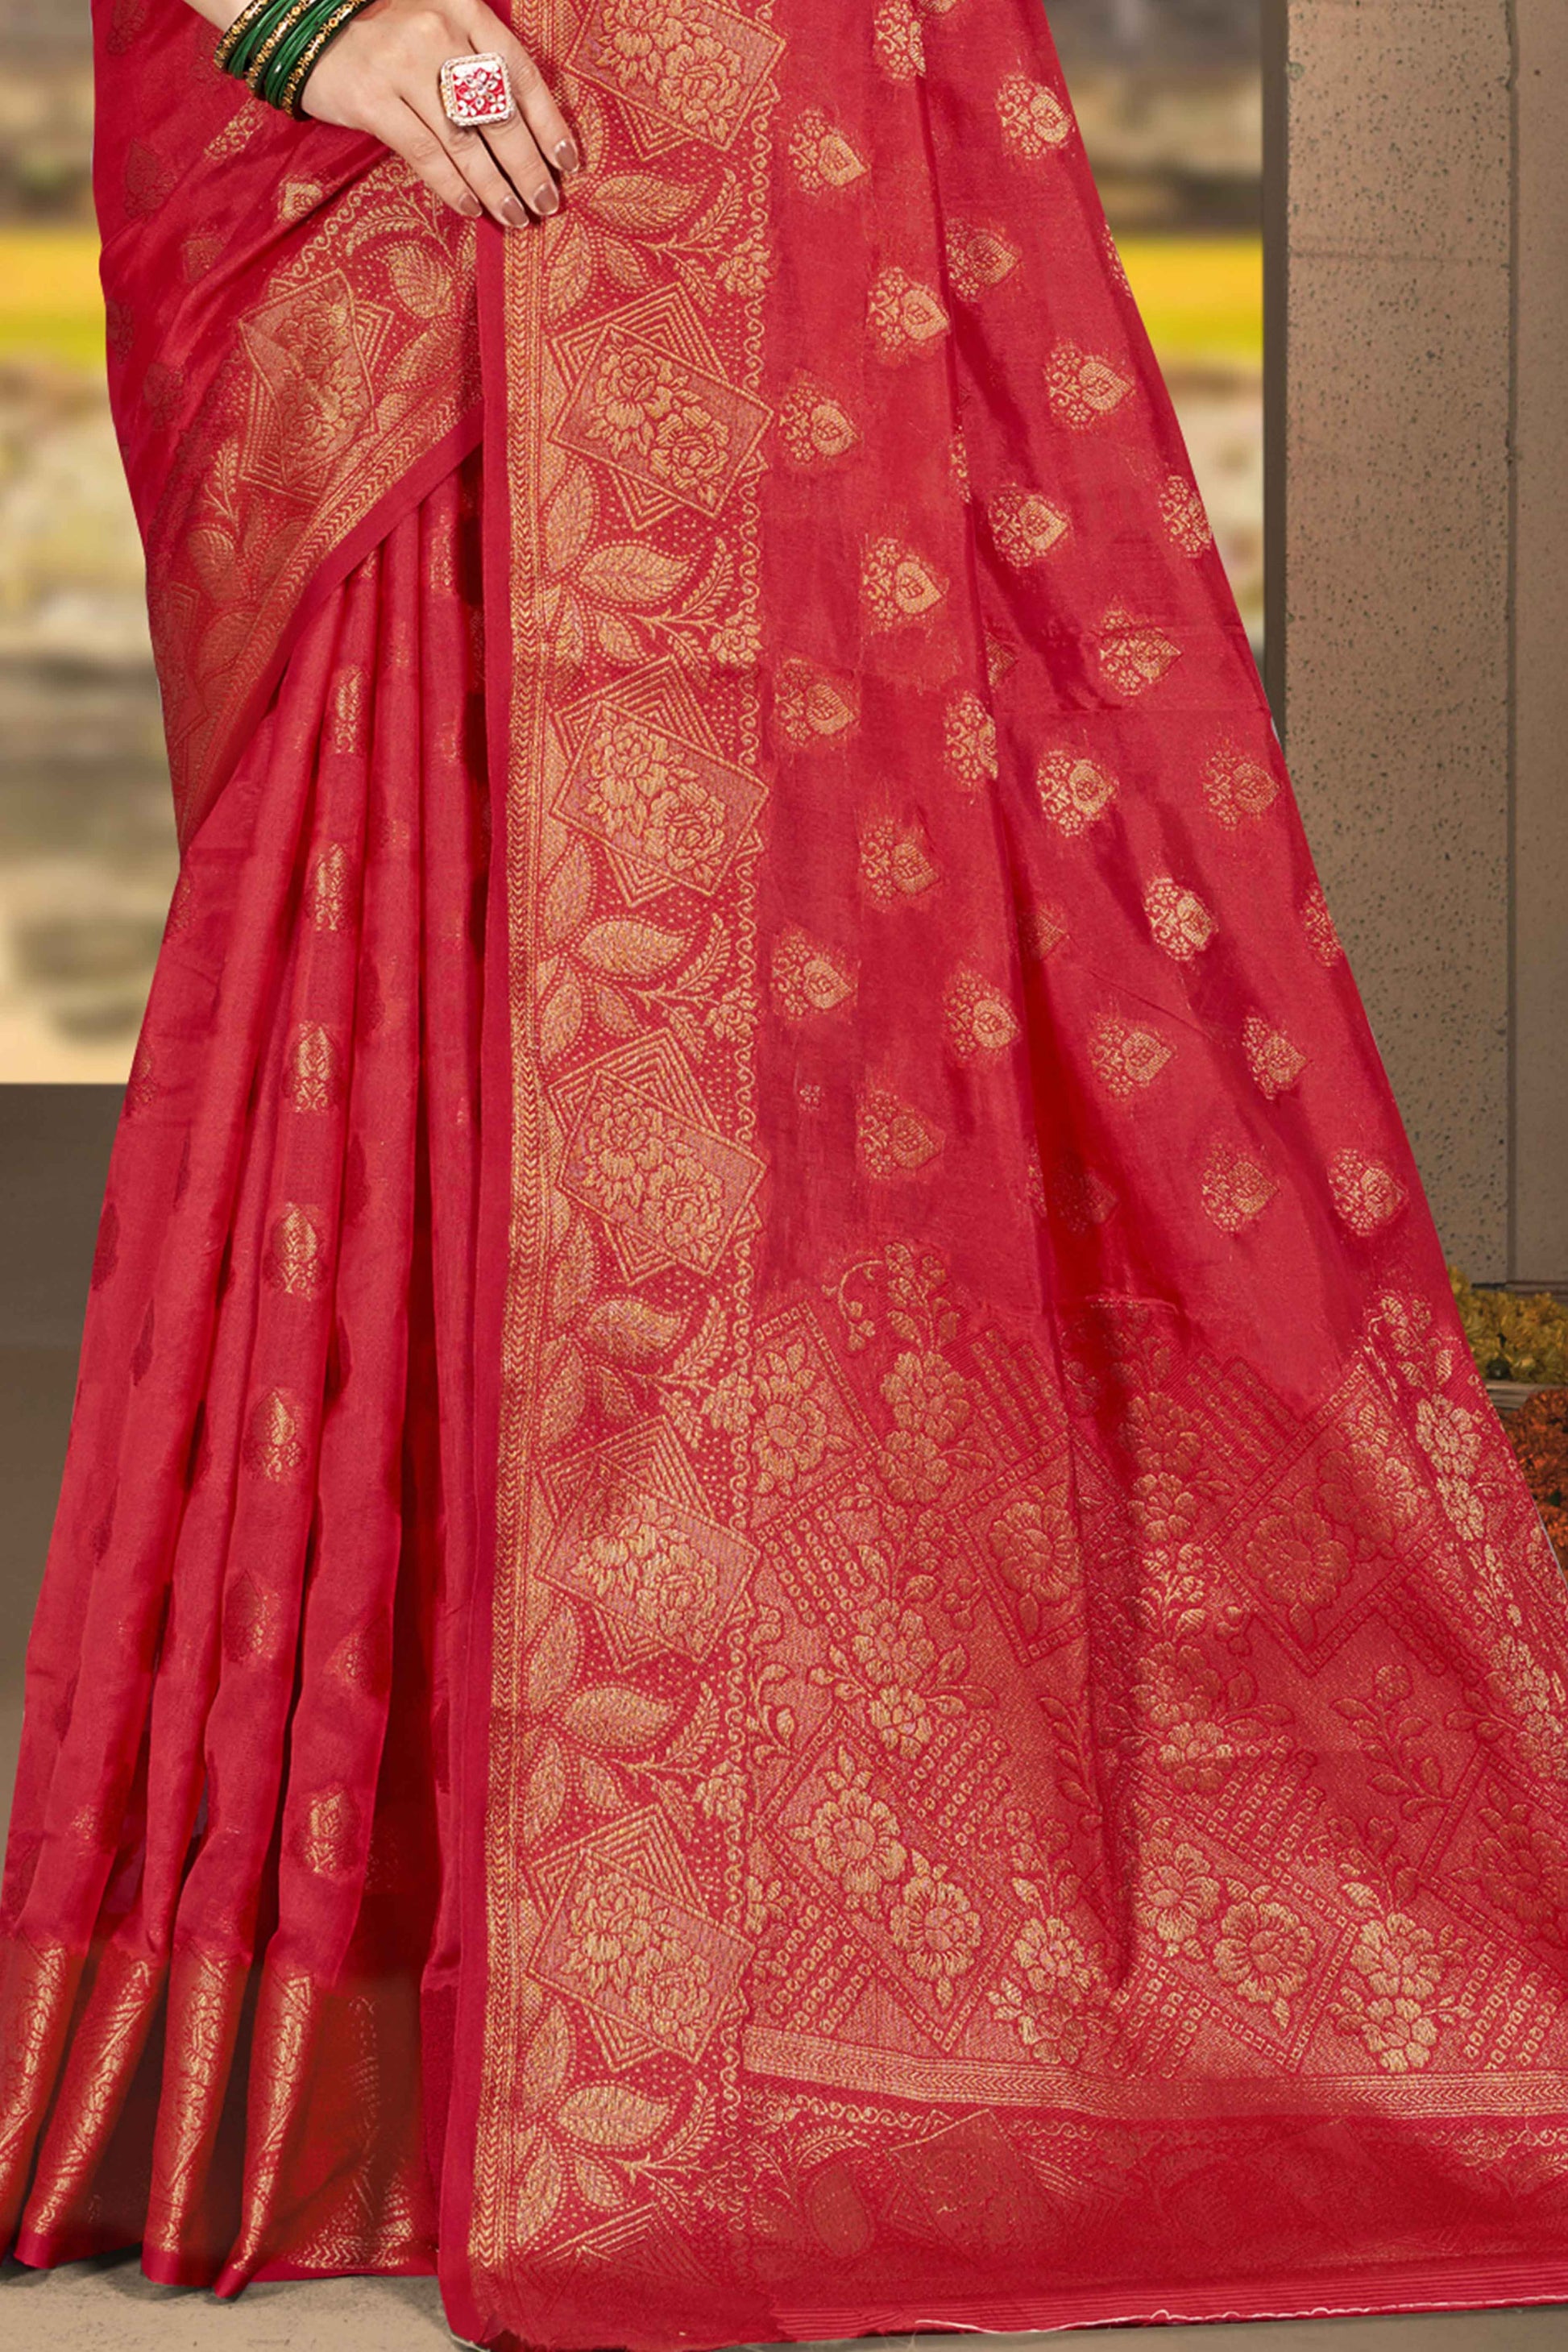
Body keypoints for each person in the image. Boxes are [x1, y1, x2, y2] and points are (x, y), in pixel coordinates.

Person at [5, 0, 1568, 2344]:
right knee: (451, 929)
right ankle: (395, 2023)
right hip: (477, 181)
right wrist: (296, 24)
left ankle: (823, 1996)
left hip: (831, 173)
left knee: (904, 1004)